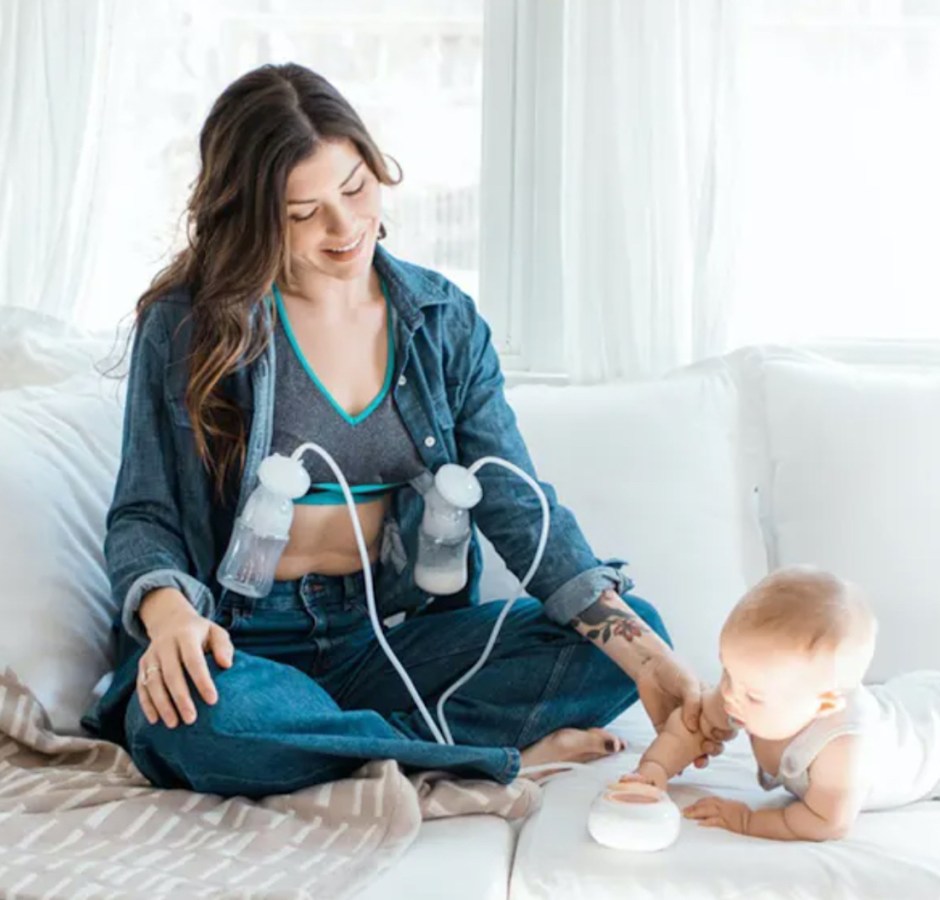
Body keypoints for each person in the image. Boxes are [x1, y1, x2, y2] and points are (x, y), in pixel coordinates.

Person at [82, 63, 720, 798]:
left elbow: (517, 508)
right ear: (252, 217)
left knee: (633, 630)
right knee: (197, 723)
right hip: (236, 643)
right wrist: (169, 623)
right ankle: (473, 755)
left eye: (354, 188)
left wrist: (646, 660)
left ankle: (342, 741)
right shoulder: (190, 324)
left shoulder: (442, 322)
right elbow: (145, 513)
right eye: (301, 212)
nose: (344, 227)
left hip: (383, 636)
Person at [623, 566, 940, 840]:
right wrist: (654, 769)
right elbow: (689, 726)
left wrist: (746, 820)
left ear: (824, 703)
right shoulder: (750, 688)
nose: (728, 694)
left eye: (752, 693)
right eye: (727, 672)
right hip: (911, 700)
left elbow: (826, 821)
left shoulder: (841, 747)